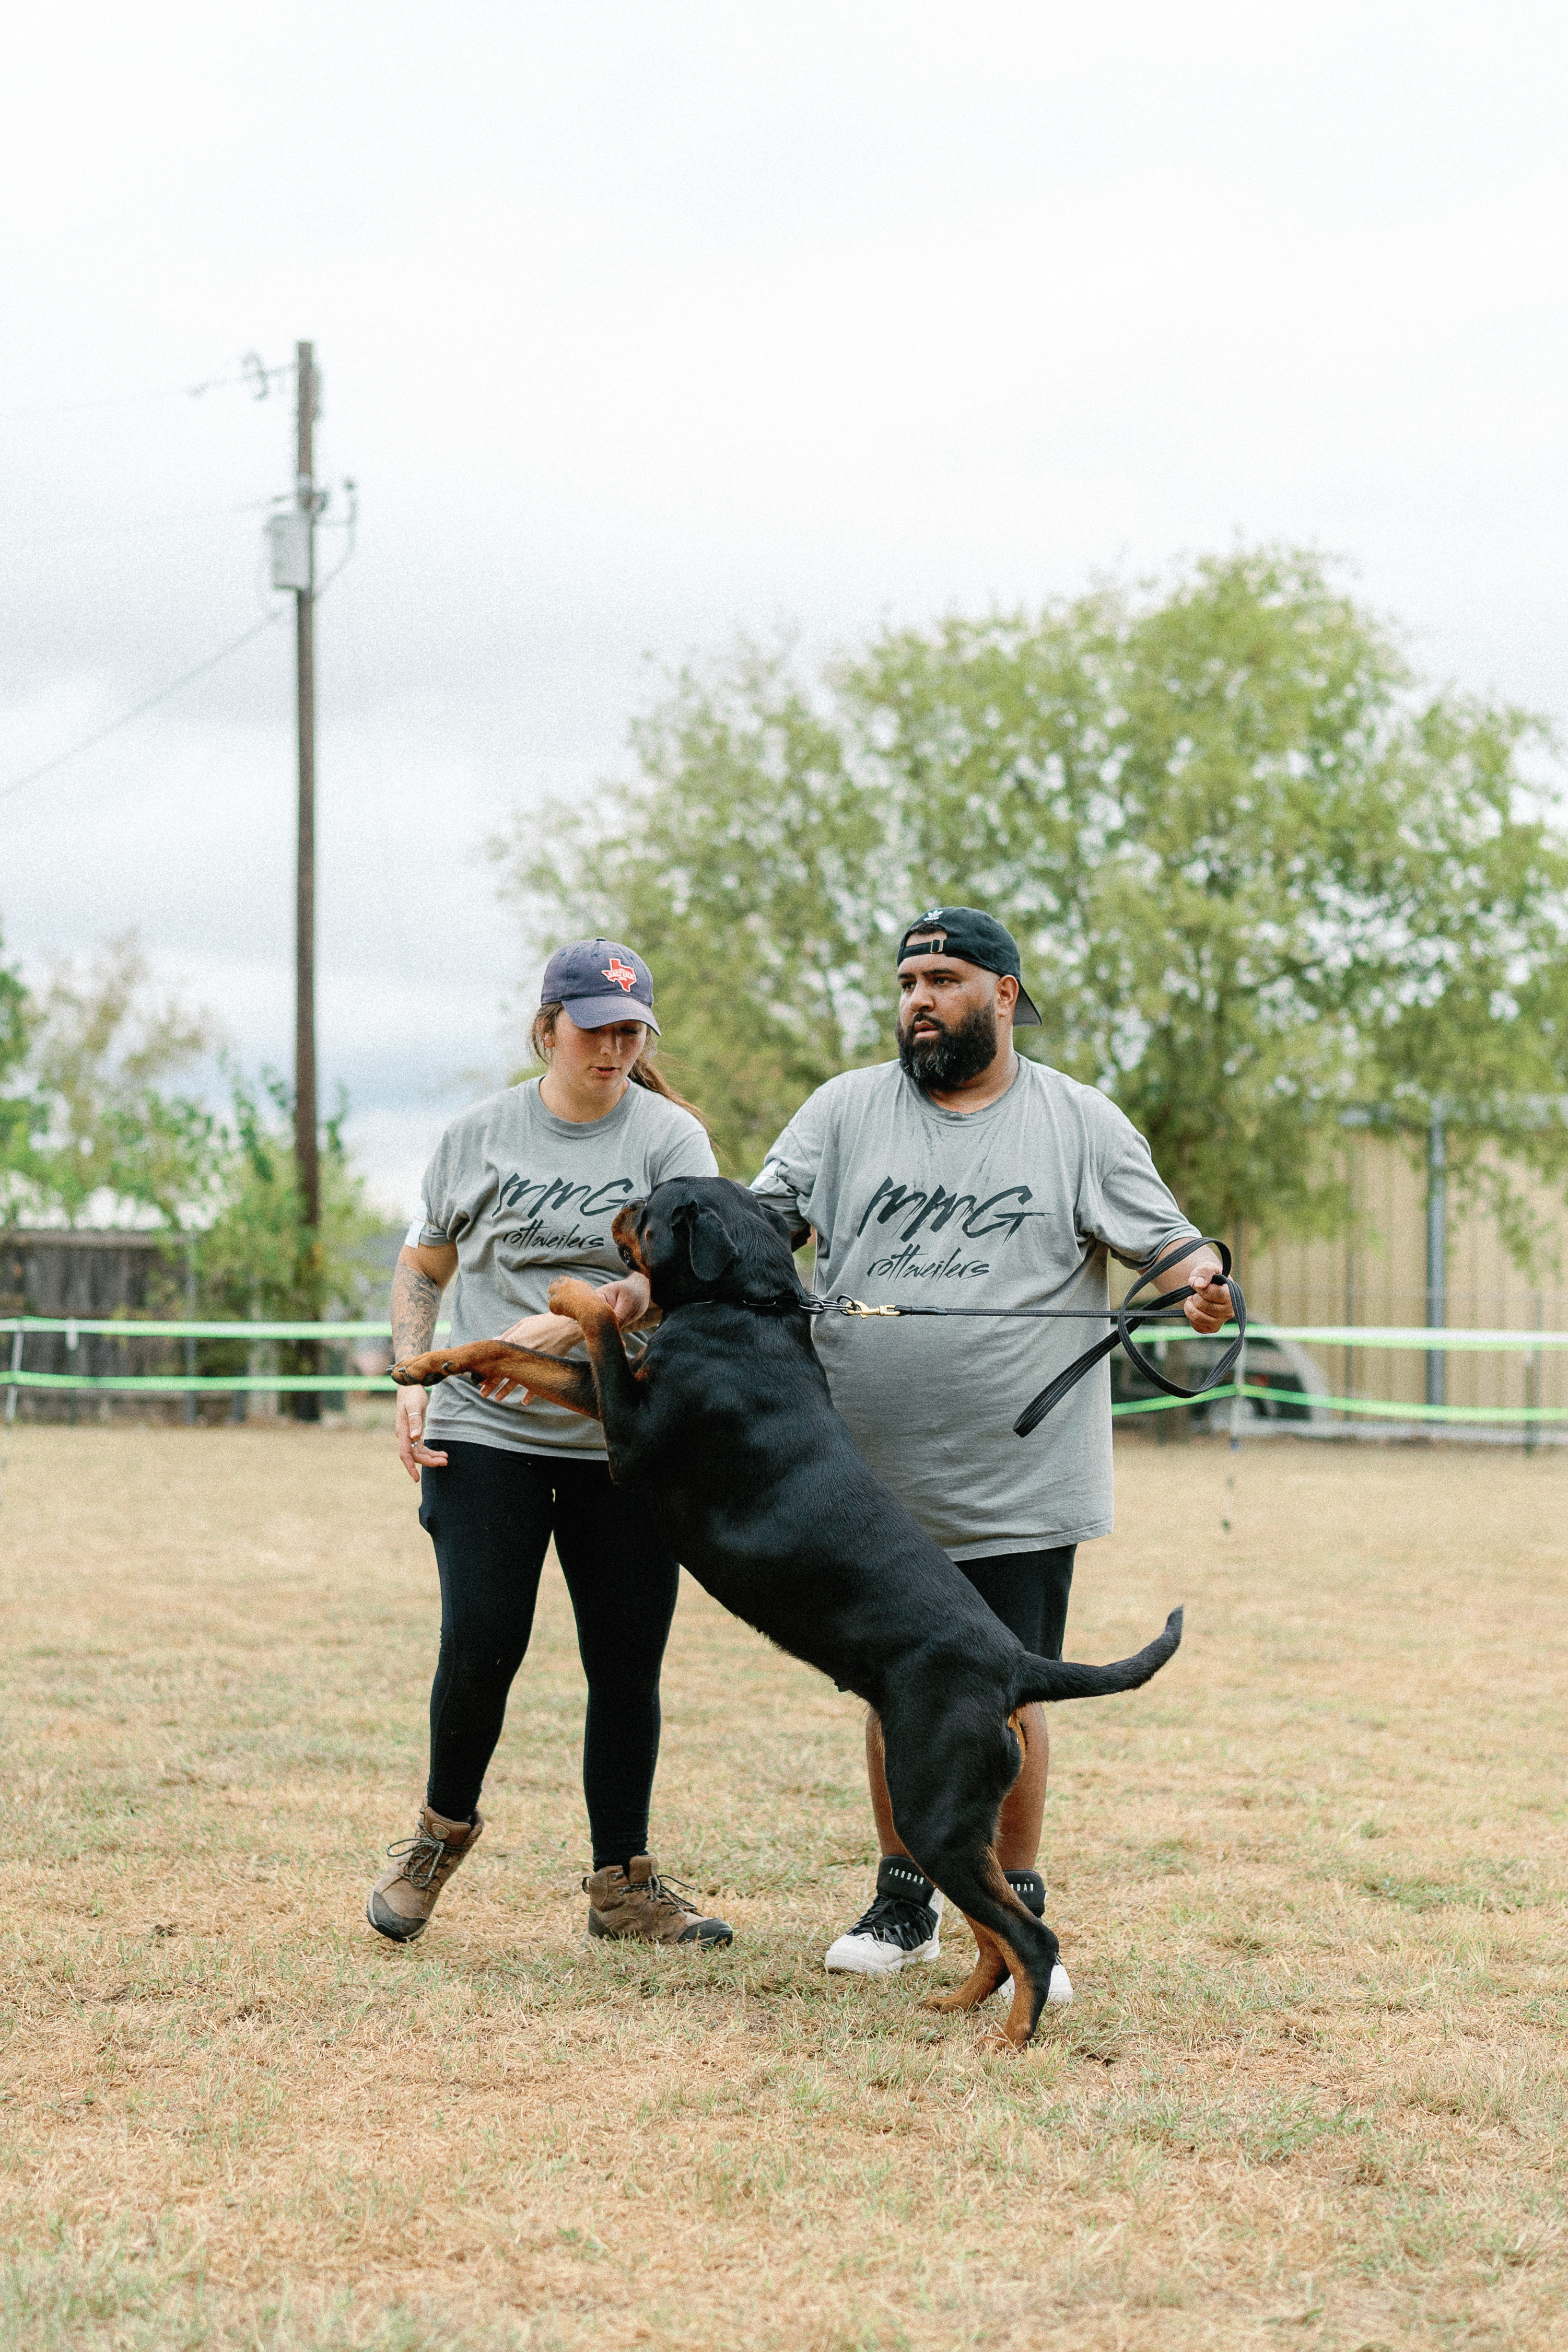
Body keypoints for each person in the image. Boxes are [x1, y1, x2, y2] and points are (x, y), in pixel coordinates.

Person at [750, 906, 1230, 1999]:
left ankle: (1017, 1905)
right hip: (863, 1477)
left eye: (945, 977)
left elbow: (1168, 1243)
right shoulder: (840, 1113)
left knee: (1007, 1695)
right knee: (888, 1689)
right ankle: (903, 1897)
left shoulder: (1078, 1122)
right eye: (908, 977)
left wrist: (1201, 1280)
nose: (919, 996)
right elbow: (758, 1223)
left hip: (1021, 1481)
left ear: (1003, 994)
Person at [368, 938, 734, 1952]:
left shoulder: (671, 1139)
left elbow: (675, 1279)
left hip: (622, 1432)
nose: (613, 1048)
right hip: (491, 1432)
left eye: (630, 1031)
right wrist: (413, 1375)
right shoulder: (479, 1133)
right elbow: (424, 1261)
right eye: (594, 1027)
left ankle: (623, 1884)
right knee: (482, 1639)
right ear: (546, 1026)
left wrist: (570, 1323)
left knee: (626, 1660)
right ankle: (437, 1839)